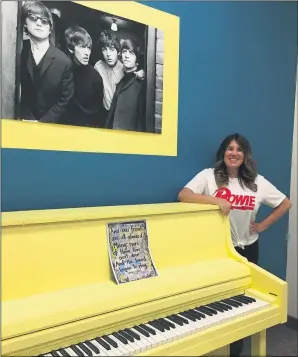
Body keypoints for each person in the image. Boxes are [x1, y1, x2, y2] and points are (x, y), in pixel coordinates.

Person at [177, 133, 291, 357]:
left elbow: (285, 203)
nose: (234, 153)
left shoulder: (256, 182)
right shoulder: (208, 177)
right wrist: (216, 200)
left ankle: (235, 349)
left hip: (248, 249)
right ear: (223, 153)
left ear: (245, 155)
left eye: (239, 150)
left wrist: (262, 226)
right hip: (218, 251)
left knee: (241, 301)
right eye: (230, 148)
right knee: (217, 300)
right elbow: (184, 195)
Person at [20, 1, 74, 123]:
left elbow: (64, 100)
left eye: (44, 21)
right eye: (33, 18)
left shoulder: (64, 61)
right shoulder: (17, 52)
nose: (39, 23)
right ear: (25, 23)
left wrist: (42, 123)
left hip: (49, 126)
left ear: (50, 29)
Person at [94, 30, 144, 120]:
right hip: (103, 113)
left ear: (118, 52)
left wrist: (143, 72)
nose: (108, 54)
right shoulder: (98, 66)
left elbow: (135, 69)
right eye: (104, 50)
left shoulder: (124, 68)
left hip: (120, 116)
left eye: (112, 49)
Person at [62, 26, 104, 128]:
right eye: (82, 47)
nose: (87, 53)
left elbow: (98, 112)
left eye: (88, 48)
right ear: (71, 48)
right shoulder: (62, 71)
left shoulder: (95, 76)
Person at [105, 39, 146, 132]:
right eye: (124, 52)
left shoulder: (141, 83)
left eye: (131, 53)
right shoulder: (122, 81)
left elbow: (141, 121)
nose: (127, 56)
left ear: (137, 60)